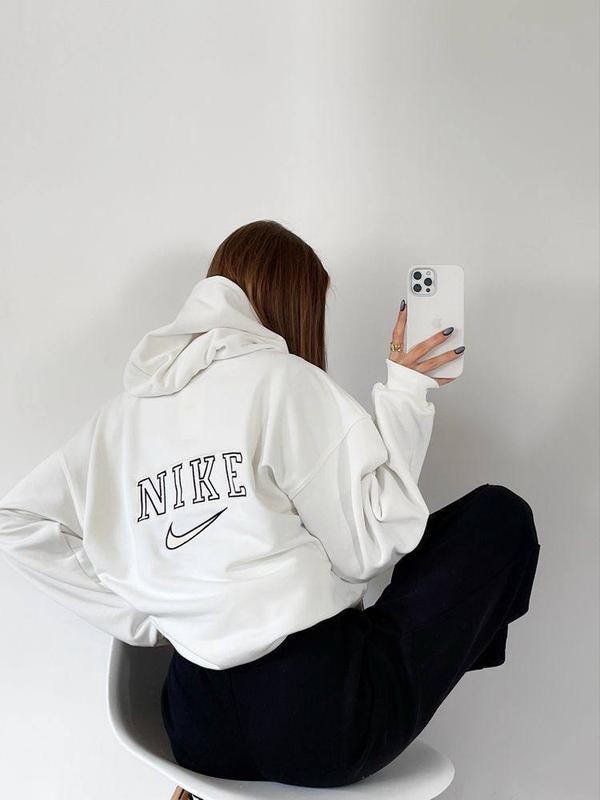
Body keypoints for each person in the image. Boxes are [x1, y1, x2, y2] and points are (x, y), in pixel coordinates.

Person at [0, 220, 540, 788]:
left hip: (194, 731)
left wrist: (152, 617)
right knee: (498, 517)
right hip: (316, 723)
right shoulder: (284, 382)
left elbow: (18, 521)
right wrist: (406, 391)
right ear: (296, 304)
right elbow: (369, 548)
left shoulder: (120, 418)